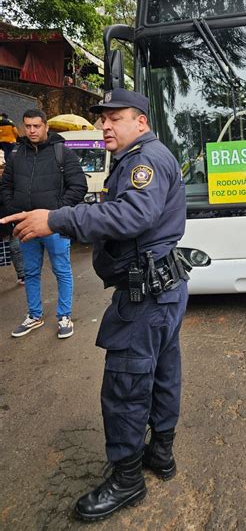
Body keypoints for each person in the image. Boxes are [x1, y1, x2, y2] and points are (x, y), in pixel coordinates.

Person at [1, 89, 189, 522]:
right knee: (162, 373)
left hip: (145, 297)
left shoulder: (144, 161)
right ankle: (160, 454)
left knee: (125, 387)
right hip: (161, 290)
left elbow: (132, 217)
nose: (104, 125)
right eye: (102, 119)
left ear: (140, 121)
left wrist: (57, 218)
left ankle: (127, 480)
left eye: (114, 118)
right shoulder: (145, 156)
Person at [1, 109, 87, 339]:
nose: (32, 131)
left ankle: (64, 316)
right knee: (30, 272)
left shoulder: (62, 153)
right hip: (26, 226)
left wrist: (55, 213)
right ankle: (34, 315)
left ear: (46, 127)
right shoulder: (16, 155)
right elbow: (5, 188)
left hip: (54, 226)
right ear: (23, 127)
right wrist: (15, 211)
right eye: (27, 126)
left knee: (62, 270)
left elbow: (78, 186)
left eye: (36, 126)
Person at [0, 176, 25, 285]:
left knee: (15, 249)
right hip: (8, 223)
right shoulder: (6, 187)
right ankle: (22, 275)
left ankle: (22, 275)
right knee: (15, 249)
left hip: (7, 224)